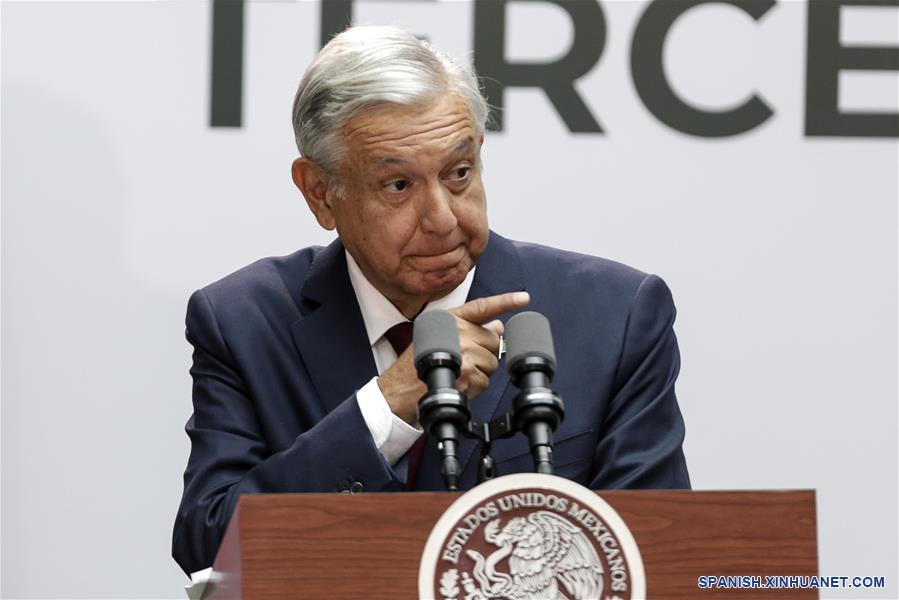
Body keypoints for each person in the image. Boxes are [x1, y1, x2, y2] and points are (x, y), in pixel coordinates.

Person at [172, 25, 690, 576]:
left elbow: (659, 557)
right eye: (398, 186)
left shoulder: (615, 315)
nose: (443, 219)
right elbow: (210, 546)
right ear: (320, 194)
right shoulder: (245, 322)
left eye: (458, 173)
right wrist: (386, 407)